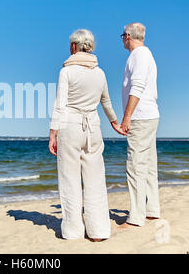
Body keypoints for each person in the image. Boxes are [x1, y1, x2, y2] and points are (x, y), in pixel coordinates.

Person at [49, 29, 125, 241]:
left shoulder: (66, 72)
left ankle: (73, 231)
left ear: (74, 47)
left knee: (69, 179)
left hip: (70, 126)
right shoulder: (99, 73)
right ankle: (98, 231)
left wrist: (53, 133)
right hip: (93, 127)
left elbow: (60, 105)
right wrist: (115, 122)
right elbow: (106, 102)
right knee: (95, 180)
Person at [119, 22, 160, 228]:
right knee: (148, 164)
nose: (122, 40)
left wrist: (127, 117)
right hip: (149, 115)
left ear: (127, 36)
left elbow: (137, 87)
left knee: (135, 165)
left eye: (122, 36)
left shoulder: (139, 56)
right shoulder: (144, 55)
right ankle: (152, 210)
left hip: (141, 117)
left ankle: (136, 216)